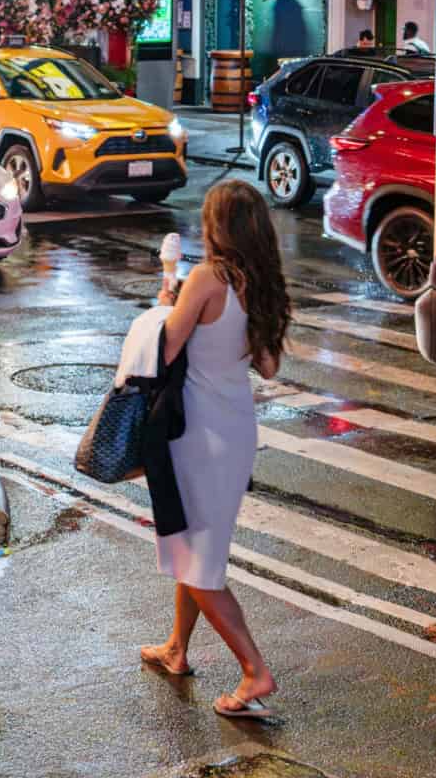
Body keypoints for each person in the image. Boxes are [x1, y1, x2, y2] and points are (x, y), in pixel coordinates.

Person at [137, 179, 289, 723]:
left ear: (216, 226)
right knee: (195, 547)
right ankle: (177, 648)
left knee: (200, 566)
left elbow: (166, 347)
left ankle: (255, 671)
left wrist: (164, 303)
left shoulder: (206, 278)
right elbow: (268, 367)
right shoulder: (261, 285)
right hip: (235, 432)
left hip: (197, 436)